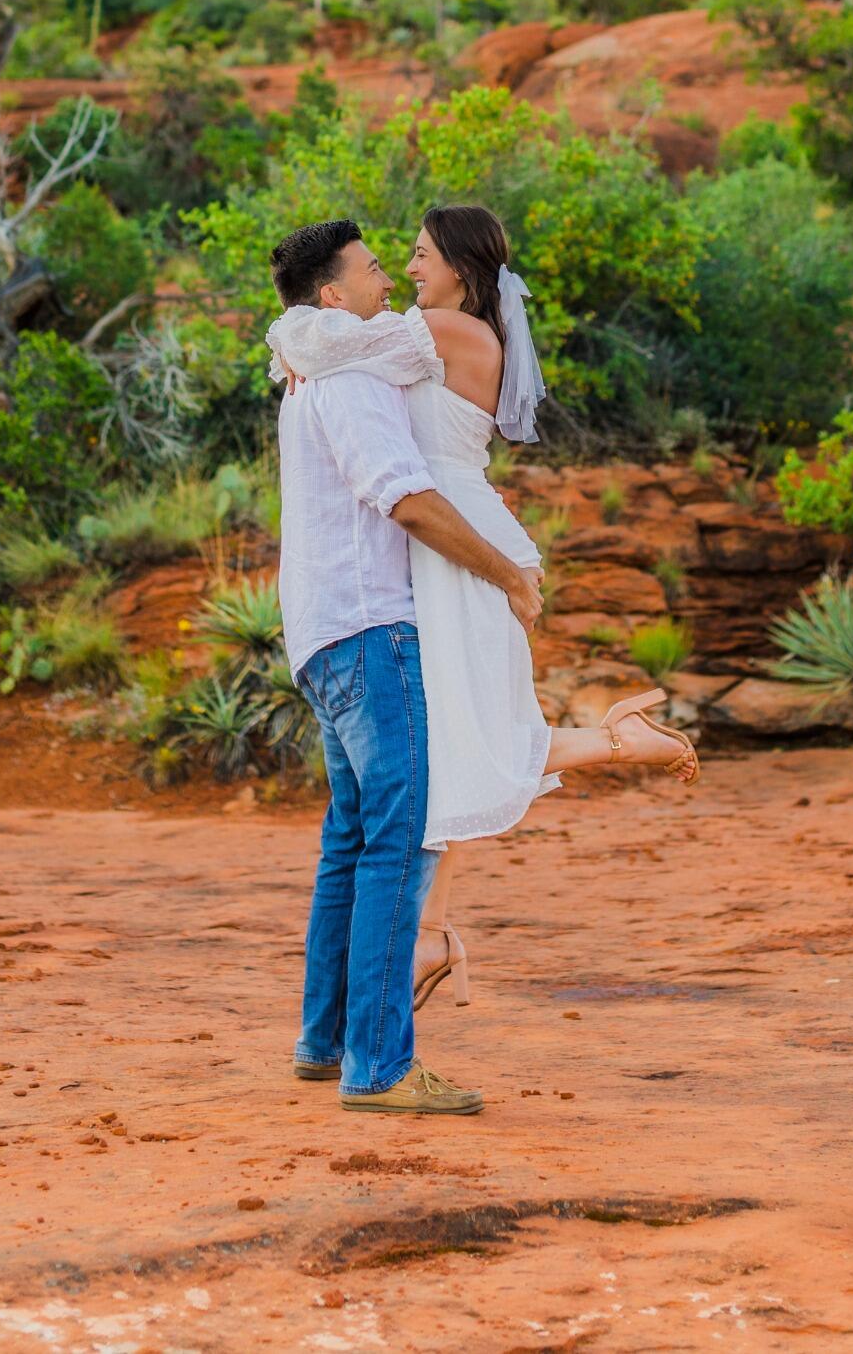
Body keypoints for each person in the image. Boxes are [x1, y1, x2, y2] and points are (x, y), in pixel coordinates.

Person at [269, 203, 698, 1018]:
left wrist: (293, 346)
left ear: (462, 269)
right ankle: (434, 930)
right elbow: (328, 340)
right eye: (401, 258)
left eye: (423, 255)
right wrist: (304, 348)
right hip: (445, 544)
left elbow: (322, 337)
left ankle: (613, 749)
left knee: (461, 741)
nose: (408, 269)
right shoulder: (424, 331)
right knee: (453, 742)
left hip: (459, 544)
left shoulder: (446, 332)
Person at [270, 216, 542, 1118]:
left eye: (406, 259)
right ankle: (380, 1068)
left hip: (321, 629)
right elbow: (408, 501)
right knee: (398, 837)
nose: (391, 275)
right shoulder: (350, 375)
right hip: (373, 626)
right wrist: (505, 573)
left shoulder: (330, 367)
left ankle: (325, 1041)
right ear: (333, 296)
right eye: (376, 267)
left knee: (350, 838)